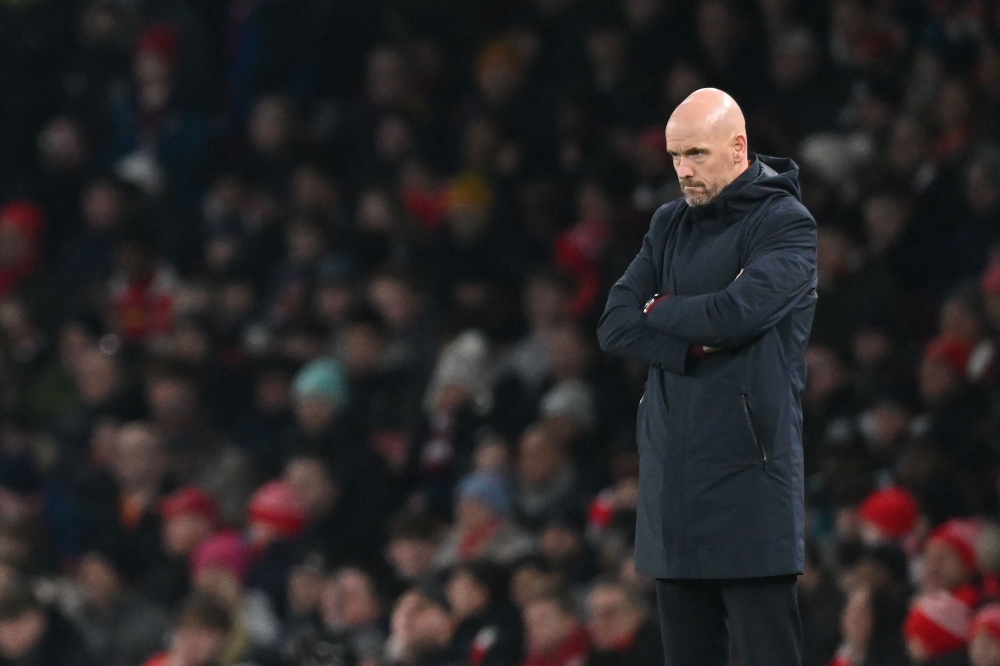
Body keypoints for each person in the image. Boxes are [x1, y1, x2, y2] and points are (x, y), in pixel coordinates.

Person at [597, 88, 818, 665]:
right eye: (674, 157)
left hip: (750, 483)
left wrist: (660, 310)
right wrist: (693, 342)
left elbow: (736, 312)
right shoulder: (669, 223)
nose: (683, 170)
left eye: (695, 153)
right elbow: (615, 324)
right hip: (672, 483)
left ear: (738, 146)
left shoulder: (786, 224)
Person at [584, 578, 663, 666]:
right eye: (593, 615)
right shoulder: (593, 655)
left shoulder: (661, 653)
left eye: (609, 613)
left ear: (636, 614)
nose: (599, 623)